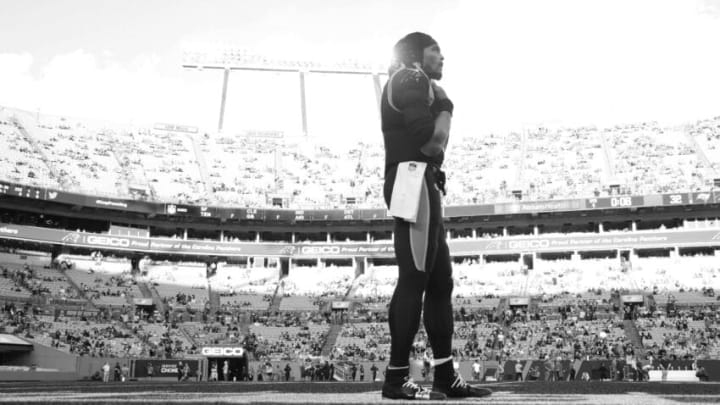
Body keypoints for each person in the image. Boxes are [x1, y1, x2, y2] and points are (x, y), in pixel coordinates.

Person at [380, 31, 491, 401]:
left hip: (423, 182)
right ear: (415, 54)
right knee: (414, 278)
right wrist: (446, 107)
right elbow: (431, 142)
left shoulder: (418, 81)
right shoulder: (411, 79)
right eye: (435, 51)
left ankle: (445, 376)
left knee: (441, 283)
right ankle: (396, 378)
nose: (442, 57)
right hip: (412, 180)